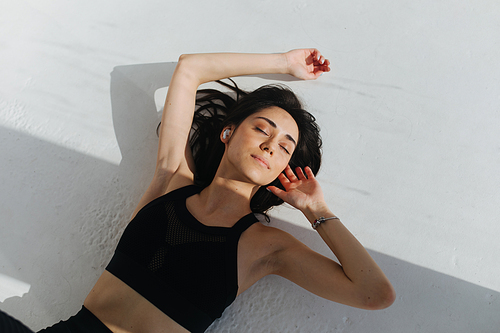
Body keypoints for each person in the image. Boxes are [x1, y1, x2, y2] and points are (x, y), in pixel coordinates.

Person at [0, 49, 395, 333]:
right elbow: (190, 68)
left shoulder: (268, 248)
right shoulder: (172, 178)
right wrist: (284, 64)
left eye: (285, 146)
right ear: (228, 132)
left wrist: (316, 210)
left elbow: (374, 294)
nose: (272, 144)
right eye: (262, 128)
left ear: (281, 168)